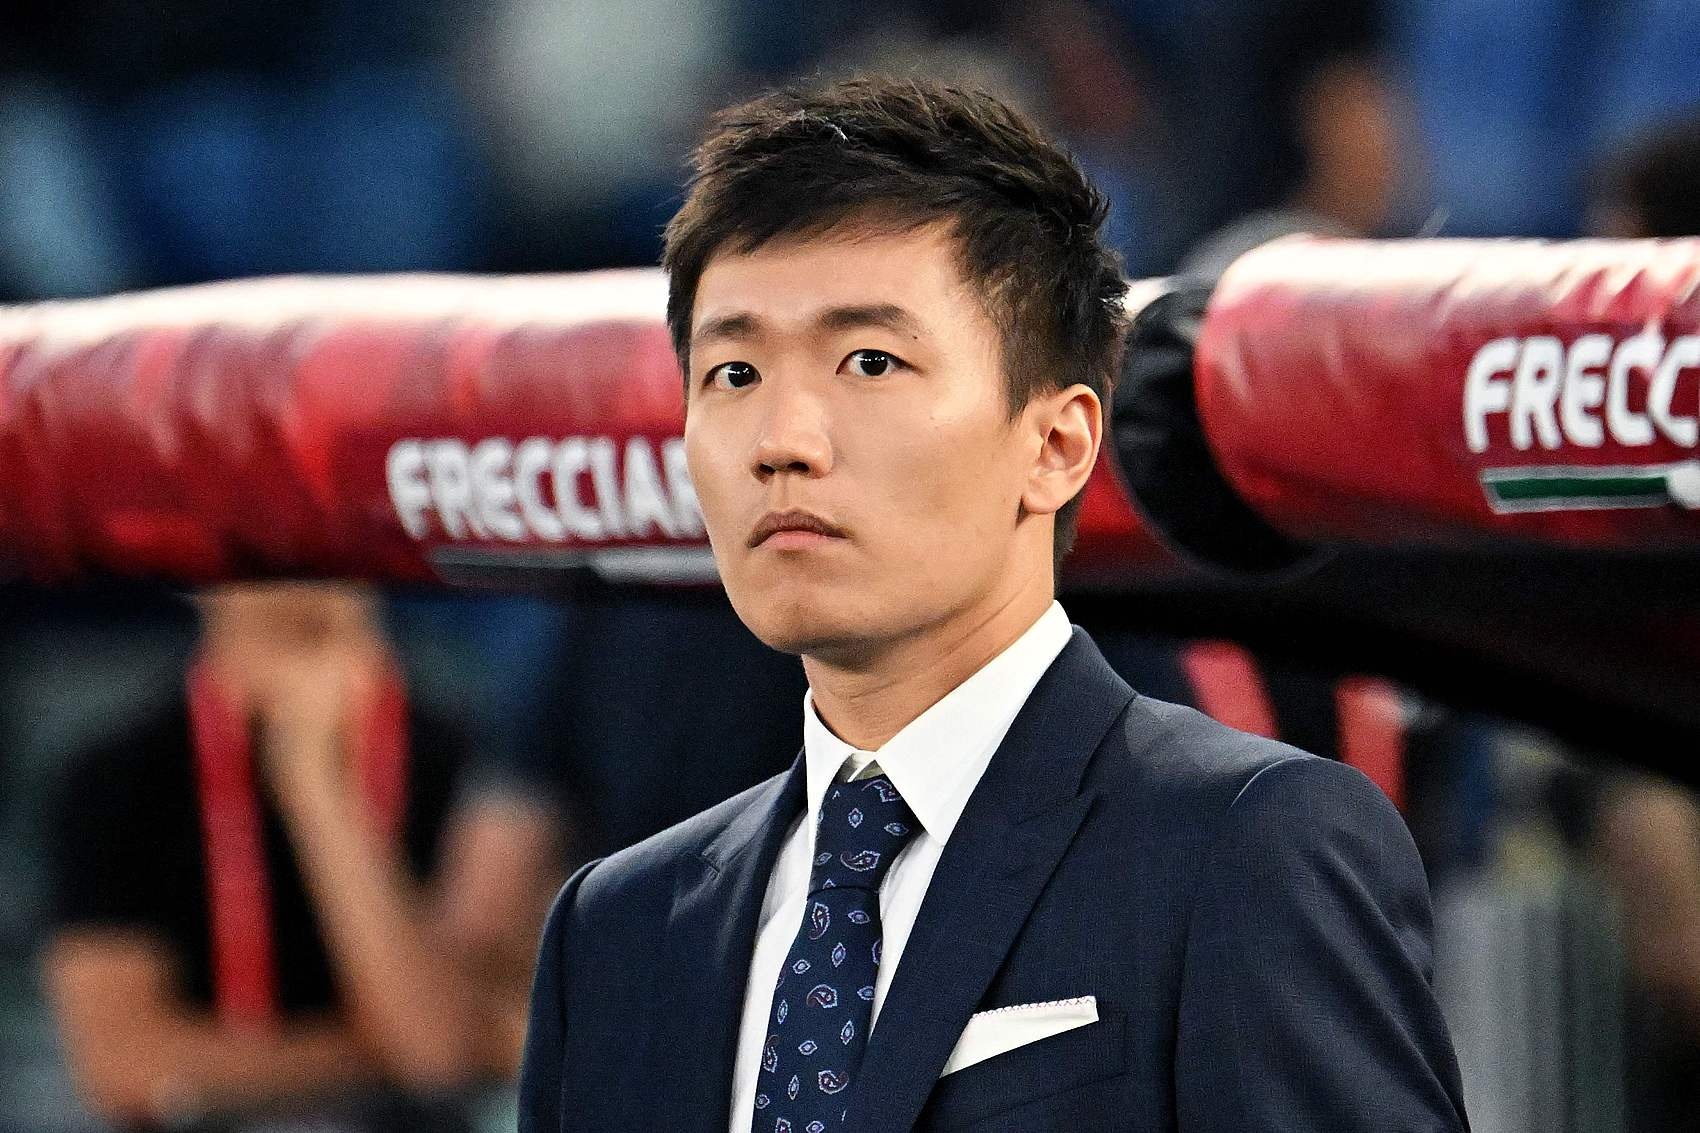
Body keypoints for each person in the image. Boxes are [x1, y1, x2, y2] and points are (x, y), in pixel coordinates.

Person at [519, 76, 1468, 1131]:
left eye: (869, 361)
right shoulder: (614, 931)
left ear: (1056, 443)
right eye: (733, 373)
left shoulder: (1246, 848)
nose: (781, 440)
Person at [41, 582, 538, 1130]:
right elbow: (123, 1070)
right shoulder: (116, 781)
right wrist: (378, 1050)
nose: (290, 575)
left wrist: (316, 784)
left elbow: (448, 1052)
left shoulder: (480, 768)